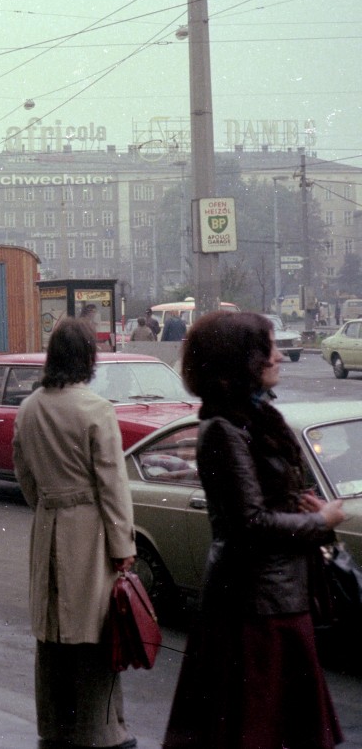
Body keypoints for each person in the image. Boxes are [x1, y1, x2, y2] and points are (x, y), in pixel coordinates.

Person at [162, 311, 345, 749]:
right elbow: (250, 524)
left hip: (272, 599)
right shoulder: (225, 429)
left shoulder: (253, 419)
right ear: (242, 360)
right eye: (269, 348)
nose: (280, 355)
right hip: (253, 608)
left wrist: (307, 509)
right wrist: (321, 521)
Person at [12, 317, 138, 749]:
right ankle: (102, 731)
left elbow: (24, 474)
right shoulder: (95, 410)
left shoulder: (29, 408)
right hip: (89, 532)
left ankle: (55, 726)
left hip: (48, 526)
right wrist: (123, 545)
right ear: (88, 359)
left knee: (51, 632)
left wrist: (48, 506)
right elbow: (113, 484)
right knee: (95, 632)